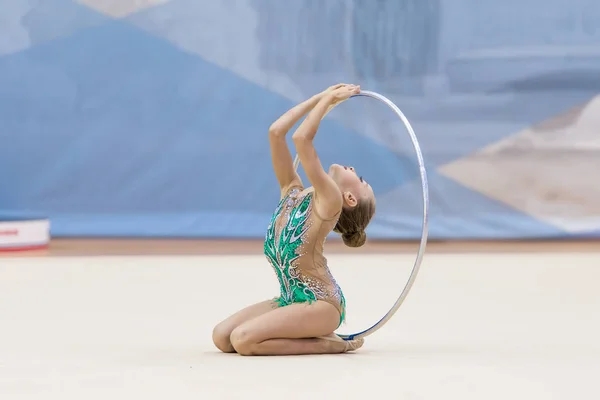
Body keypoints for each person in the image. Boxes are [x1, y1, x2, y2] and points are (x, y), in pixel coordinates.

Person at [212, 84, 376, 356]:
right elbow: (276, 133)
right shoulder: (292, 192)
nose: (354, 170)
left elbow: (302, 140)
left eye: (360, 181)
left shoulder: (329, 203)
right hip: (291, 299)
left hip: (321, 305)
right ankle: (312, 334)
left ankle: (331, 343)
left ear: (349, 199)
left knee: (243, 340)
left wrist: (327, 101)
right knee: (222, 337)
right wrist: (318, 100)